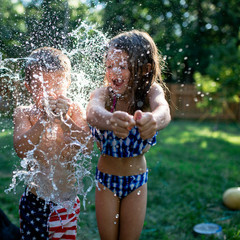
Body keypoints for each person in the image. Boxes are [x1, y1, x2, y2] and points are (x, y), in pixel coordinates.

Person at [86, 30, 171, 240]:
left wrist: (154, 120)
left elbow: (164, 110)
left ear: (144, 69)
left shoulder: (151, 92)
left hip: (137, 182)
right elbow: (92, 111)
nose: (114, 72)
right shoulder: (104, 94)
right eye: (109, 66)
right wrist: (109, 120)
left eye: (122, 66)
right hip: (106, 181)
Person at [13, 47, 93, 240]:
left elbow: (87, 146)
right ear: (29, 87)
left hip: (66, 203)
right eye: (41, 87)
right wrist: (42, 121)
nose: (50, 94)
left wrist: (64, 120)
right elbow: (22, 149)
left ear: (68, 83)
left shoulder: (74, 111)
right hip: (36, 203)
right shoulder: (24, 113)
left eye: (56, 86)